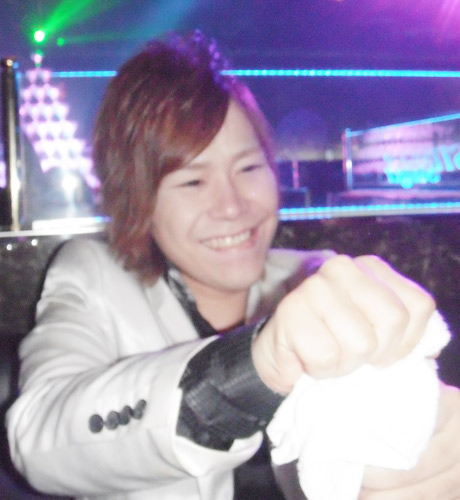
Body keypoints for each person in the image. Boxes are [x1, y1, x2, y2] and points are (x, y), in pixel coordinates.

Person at [6, 30, 460, 500]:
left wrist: (420, 451)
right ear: (137, 199)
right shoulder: (94, 276)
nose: (232, 206)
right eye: (192, 182)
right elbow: (36, 439)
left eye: (248, 169)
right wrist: (248, 372)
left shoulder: (316, 280)